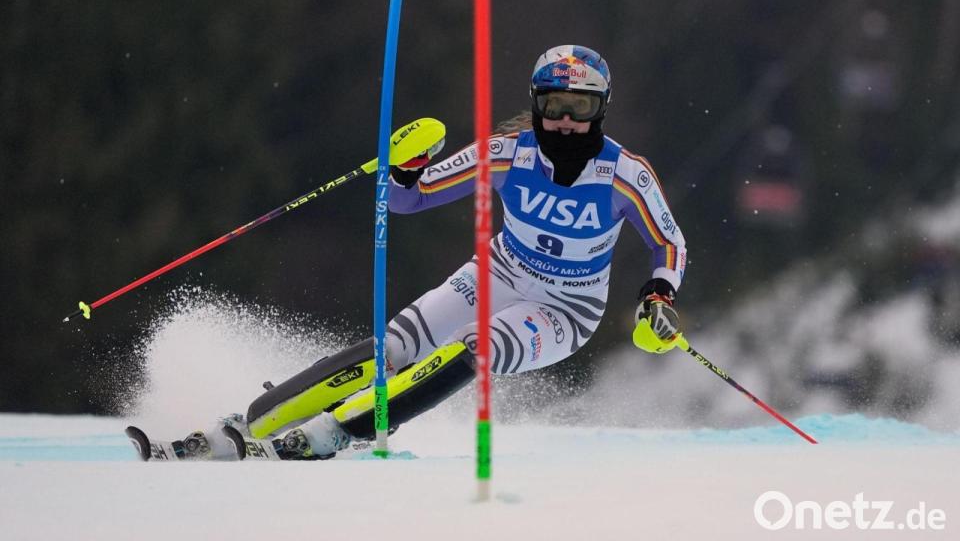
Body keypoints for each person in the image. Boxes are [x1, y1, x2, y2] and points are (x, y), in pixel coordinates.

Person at [191, 45, 688, 460]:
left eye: (580, 108)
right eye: (554, 104)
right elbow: (412, 198)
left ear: (601, 108)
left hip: (565, 308)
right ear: (536, 104)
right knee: (395, 348)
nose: (565, 121)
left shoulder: (625, 175)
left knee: (475, 345)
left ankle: (335, 431)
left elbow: (668, 242)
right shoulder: (506, 153)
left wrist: (659, 295)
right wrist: (405, 171)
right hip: (499, 273)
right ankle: (252, 423)